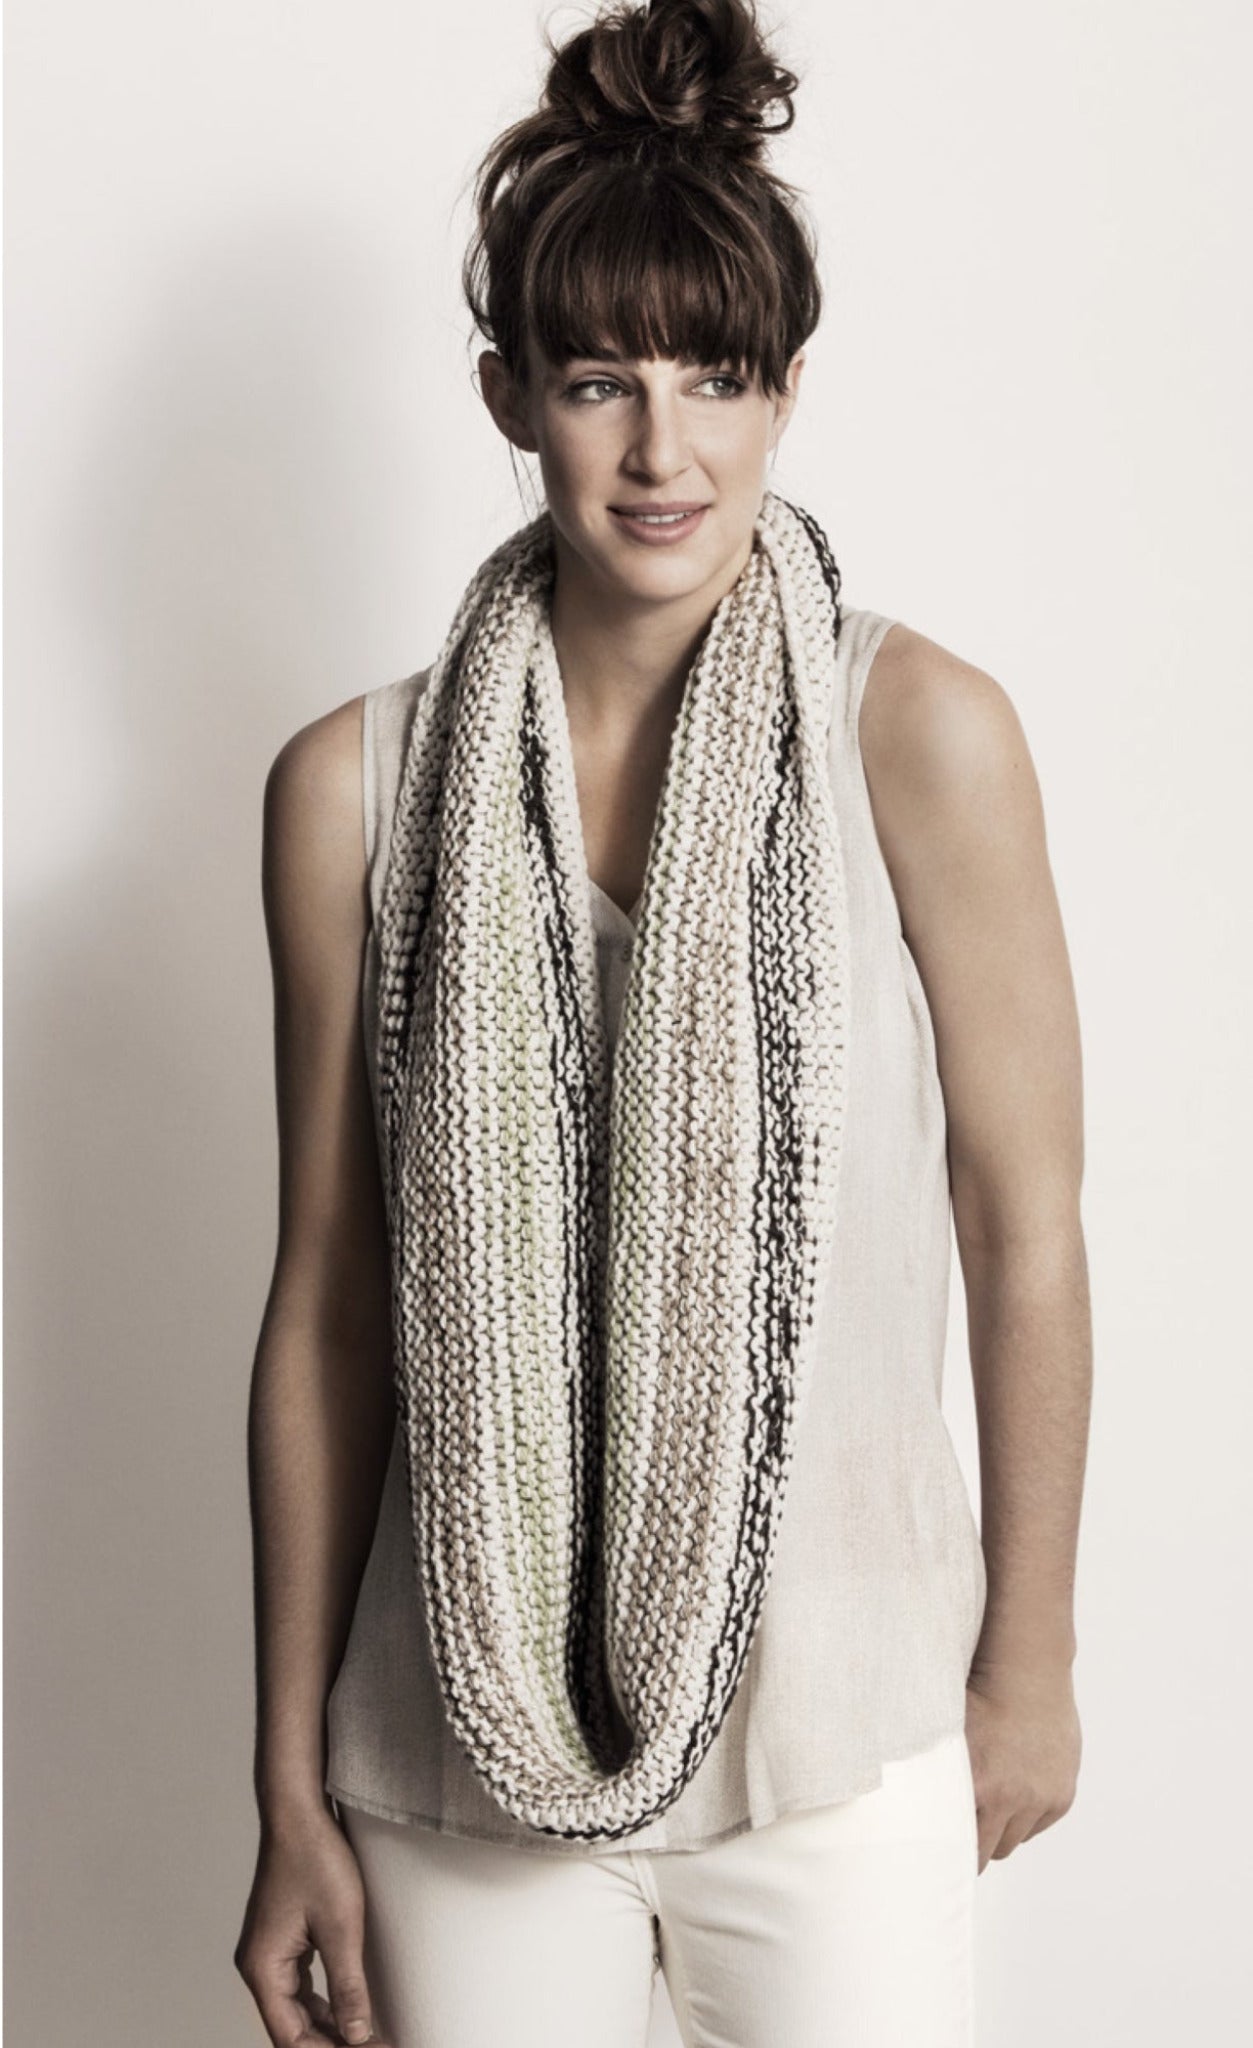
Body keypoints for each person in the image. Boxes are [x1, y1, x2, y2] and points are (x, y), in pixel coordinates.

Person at [233, 0, 1090, 2042]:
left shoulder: (921, 735)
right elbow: (331, 1299)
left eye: (717, 376)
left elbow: (1025, 1225)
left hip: (843, 1728)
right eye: (600, 376)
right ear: (507, 391)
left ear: (787, 390)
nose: (661, 446)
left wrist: (1031, 1662)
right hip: (458, 1739)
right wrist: (282, 1778)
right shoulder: (354, 788)